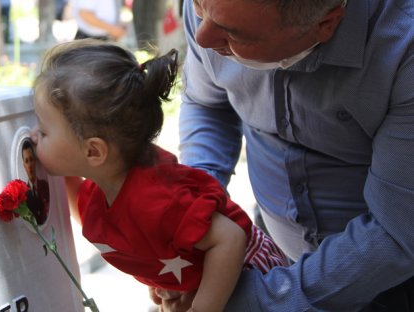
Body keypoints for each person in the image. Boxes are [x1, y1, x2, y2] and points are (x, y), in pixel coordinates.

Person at [153, 0, 414, 310]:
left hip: (386, 283)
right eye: (197, 7)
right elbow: (208, 105)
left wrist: (250, 301)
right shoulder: (217, 10)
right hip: (272, 249)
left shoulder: (403, 48)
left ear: (326, 23)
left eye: (235, 35)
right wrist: (196, 215)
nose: (202, 38)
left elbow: (395, 231)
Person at [30, 39, 288, 312]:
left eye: (43, 131)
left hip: (248, 274)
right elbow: (91, 214)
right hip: (207, 279)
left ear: (94, 151)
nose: (33, 136)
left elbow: (230, 238)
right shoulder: (108, 183)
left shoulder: (158, 199)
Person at [21, 140, 50, 225]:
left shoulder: (45, 186)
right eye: (26, 161)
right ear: (24, 165)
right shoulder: (23, 194)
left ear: (35, 161)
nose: (29, 165)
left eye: (31, 159)